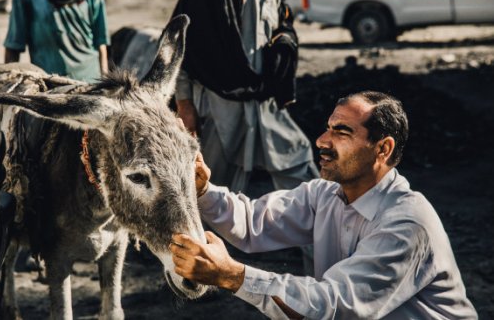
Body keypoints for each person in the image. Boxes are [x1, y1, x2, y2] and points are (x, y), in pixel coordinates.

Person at [170, 91, 478, 319]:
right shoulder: (326, 194)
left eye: (342, 132)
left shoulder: (406, 224)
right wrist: (203, 191)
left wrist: (231, 275)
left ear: (383, 149)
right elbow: (254, 222)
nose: (321, 140)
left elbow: (330, 306)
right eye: (328, 128)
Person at [174, 0, 319, 194]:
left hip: (264, 103)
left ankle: (326, 220)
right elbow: (182, 44)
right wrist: (184, 103)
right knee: (209, 186)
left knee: (297, 163)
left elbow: (280, 25)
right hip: (220, 107)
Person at [3, 0, 109, 82]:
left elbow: (101, 43)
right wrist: (6, 84)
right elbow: (13, 46)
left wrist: (105, 81)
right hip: (48, 85)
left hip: (89, 81)